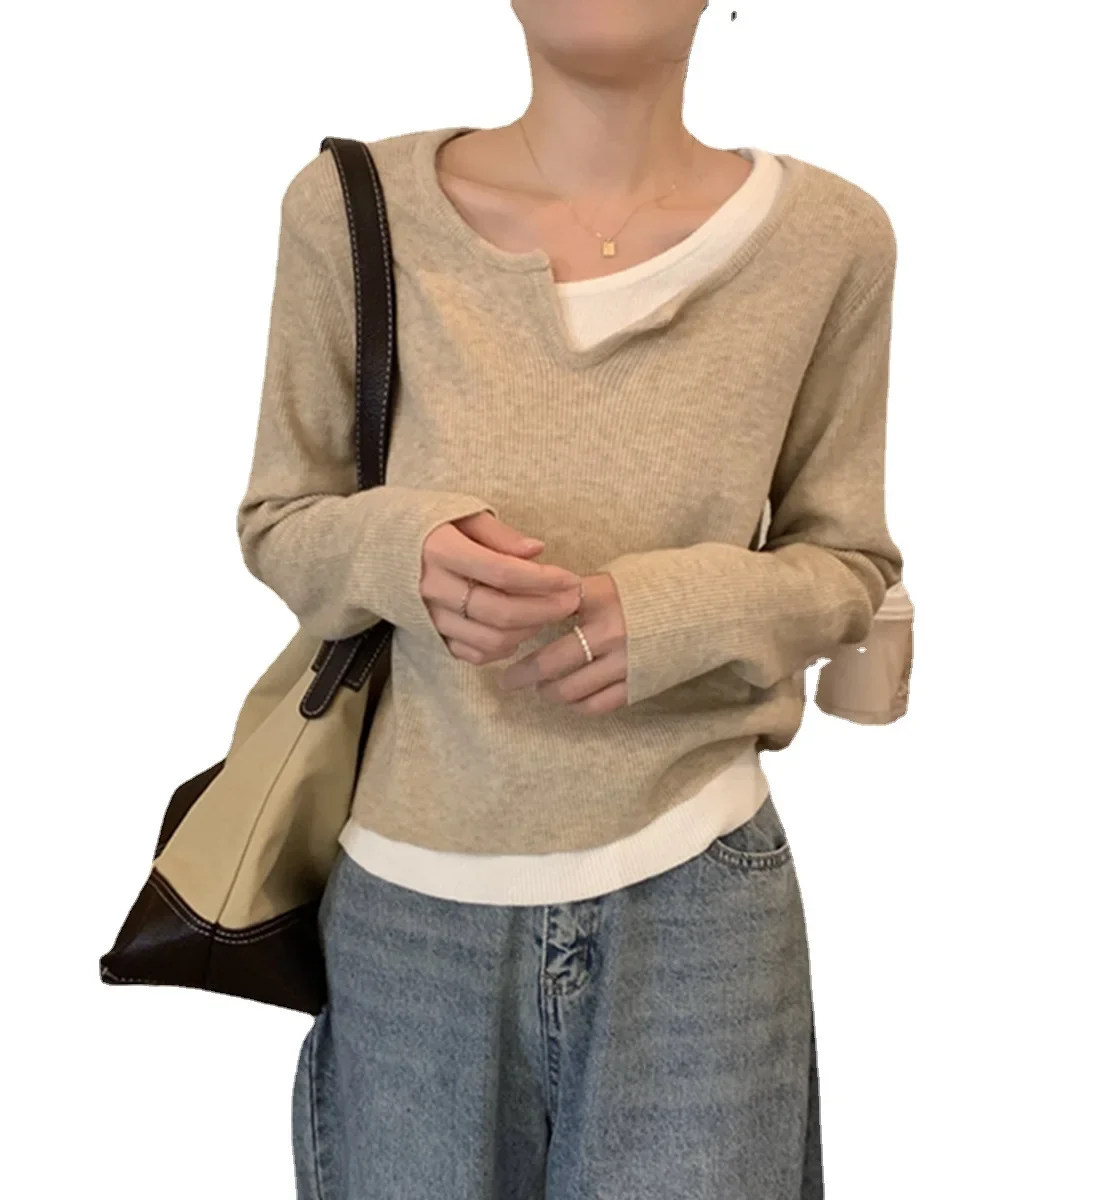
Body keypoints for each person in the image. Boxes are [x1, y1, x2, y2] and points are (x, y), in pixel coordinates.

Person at [235, 2, 910, 1196]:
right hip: (407, 904)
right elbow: (280, 521)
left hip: (699, 896)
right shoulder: (350, 209)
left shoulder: (832, 238)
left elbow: (849, 562)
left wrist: (680, 615)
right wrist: (405, 551)